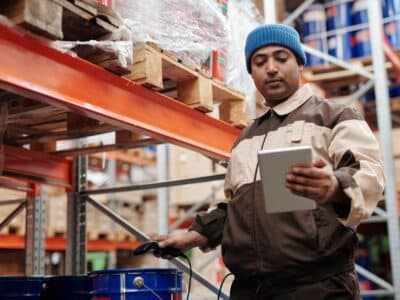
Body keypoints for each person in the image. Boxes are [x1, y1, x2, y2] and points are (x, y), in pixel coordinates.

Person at [153, 24, 385, 299]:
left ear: (299, 63)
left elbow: (369, 174)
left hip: (317, 289)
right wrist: (195, 235)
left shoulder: (333, 116)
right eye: (259, 62)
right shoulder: (245, 140)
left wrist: (334, 186)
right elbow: (239, 207)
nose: (271, 68)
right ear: (252, 74)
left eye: (281, 58)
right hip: (251, 291)